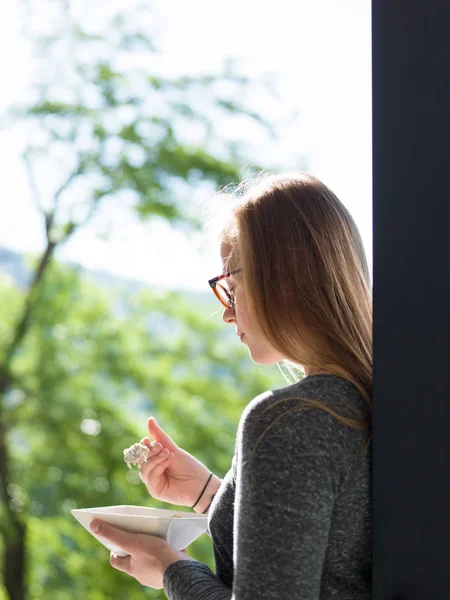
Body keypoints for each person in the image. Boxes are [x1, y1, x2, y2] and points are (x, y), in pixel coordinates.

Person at [90, 171, 373, 599]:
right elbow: (334, 558)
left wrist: (171, 569)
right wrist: (210, 494)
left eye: (231, 289)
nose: (226, 314)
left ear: (283, 280)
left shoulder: (290, 420)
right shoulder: (370, 402)